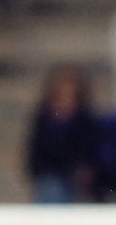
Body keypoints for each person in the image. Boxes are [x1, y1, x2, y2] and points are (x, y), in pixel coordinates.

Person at [26, 64, 101, 203]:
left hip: (76, 178)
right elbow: (36, 155)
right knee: (52, 187)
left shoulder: (85, 119)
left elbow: (89, 152)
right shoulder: (44, 118)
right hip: (51, 178)